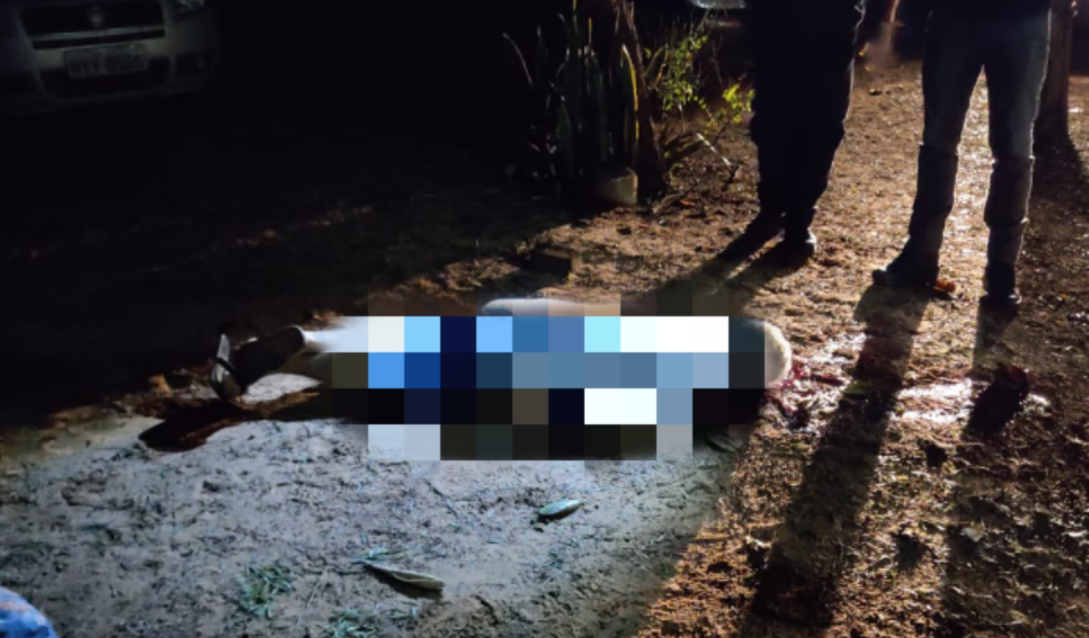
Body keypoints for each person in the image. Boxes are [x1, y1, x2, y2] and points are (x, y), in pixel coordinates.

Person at [873, 0, 1053, 308]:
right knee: (943, 139)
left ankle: (1001, 268)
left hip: (1021, 18)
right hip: (959, 16)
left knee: (1012, 146)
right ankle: (925, 254)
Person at [736, 0, 899, 259]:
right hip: (814, 19)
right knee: (801, 119)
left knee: (796, 118)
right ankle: (789, 217)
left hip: (811, 20)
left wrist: (881, 18)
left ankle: (784, 214)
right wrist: (880, 19)